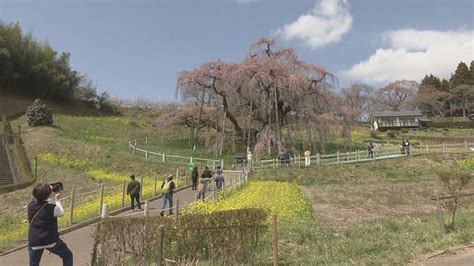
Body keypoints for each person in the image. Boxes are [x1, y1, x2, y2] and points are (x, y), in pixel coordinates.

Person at [28, 183, 73, 266]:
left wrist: (46, 190)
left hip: (34, 241)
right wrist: (57, 200)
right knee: (67, 255)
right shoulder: (52, 208)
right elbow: (61, 212)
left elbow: (40, 201)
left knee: (33, 264)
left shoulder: (30, 206)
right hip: (50, 240)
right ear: (47, 195)